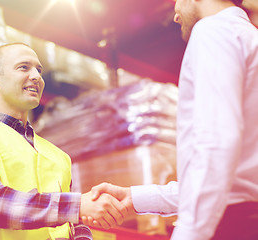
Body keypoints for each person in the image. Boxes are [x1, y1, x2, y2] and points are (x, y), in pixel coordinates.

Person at [86, 0, 258, 239]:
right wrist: (134, 198)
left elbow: (216, 143)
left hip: (230, 224)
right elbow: (233, 178)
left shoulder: (212, 30)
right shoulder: (248, 37)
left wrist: (188, 233)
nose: (175, 15)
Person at [0, 42, 127, 240]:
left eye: (39, 70)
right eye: (24, 67)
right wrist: (78, 205)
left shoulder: (58, 157)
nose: (36, 77)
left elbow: (74, 224)